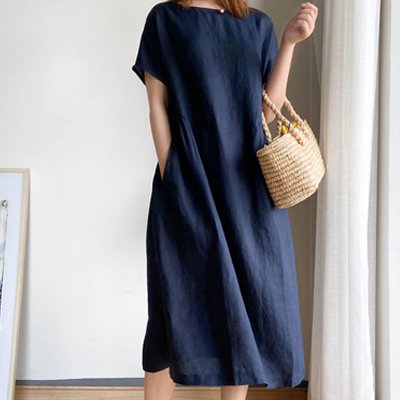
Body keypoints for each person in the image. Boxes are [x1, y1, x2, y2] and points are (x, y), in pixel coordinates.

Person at [131, 1, 318, 399]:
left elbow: (266, 111)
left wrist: (289, 42)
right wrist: (171, 172)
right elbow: (157, 105)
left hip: (247, 188)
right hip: (188, 180)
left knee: (245, 303)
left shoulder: (257, 25)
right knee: (171, 307)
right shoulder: (165, 19)